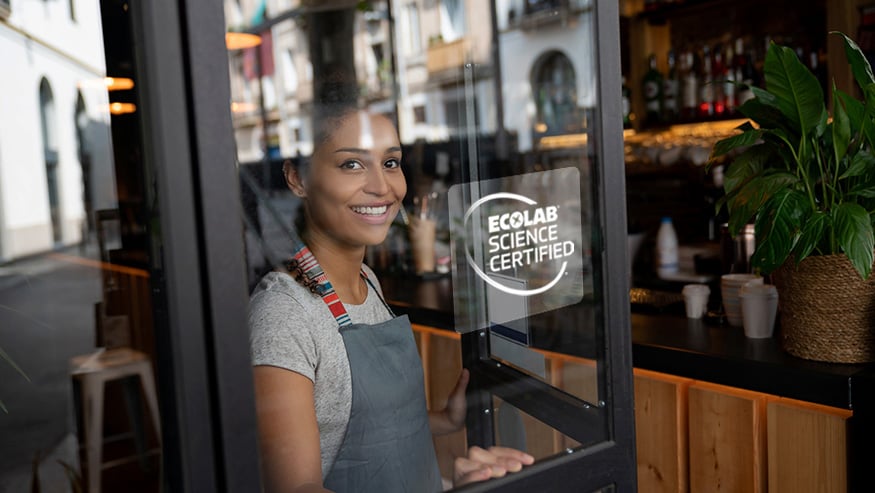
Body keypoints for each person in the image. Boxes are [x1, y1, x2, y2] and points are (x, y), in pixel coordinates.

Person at [248, 100, 534, 493]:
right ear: (298, 178)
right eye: (351, 164)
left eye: (390, 162)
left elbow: (347, 424)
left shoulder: (367, 280)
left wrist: (443, 420)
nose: (382, 187)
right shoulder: (283, 313)